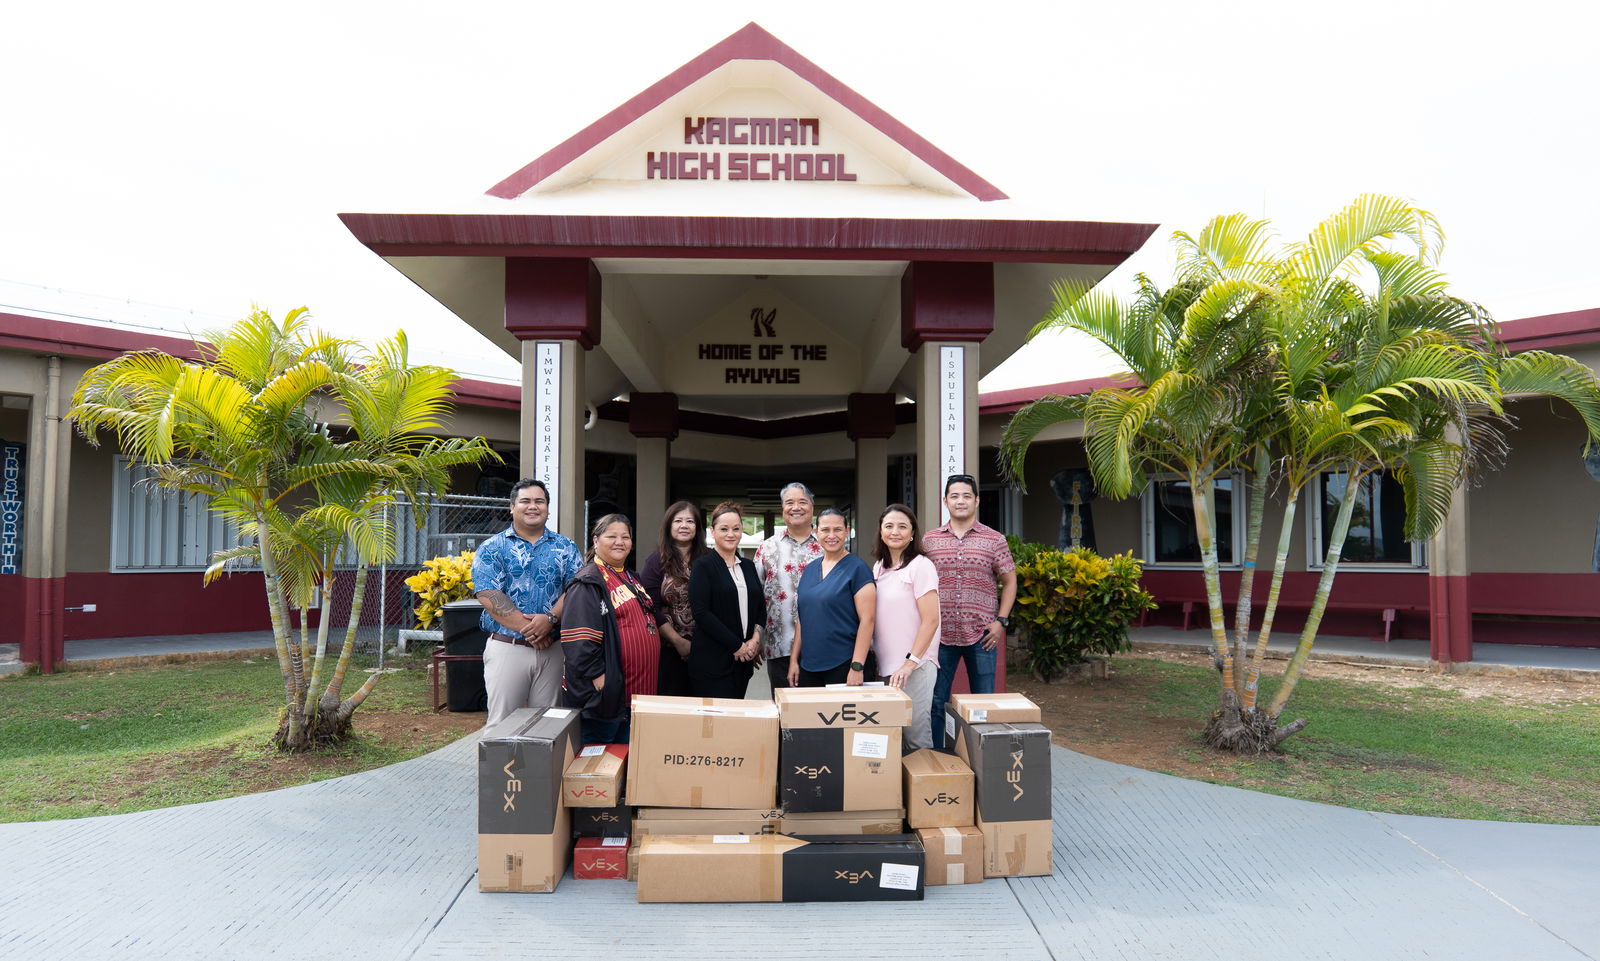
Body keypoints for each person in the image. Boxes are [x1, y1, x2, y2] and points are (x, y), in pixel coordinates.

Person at [471, 478, 583, 727]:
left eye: (539, 501)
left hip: (552, 652)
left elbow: (576, 588)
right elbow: (489, 594)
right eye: (525, 501)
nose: (533, 506)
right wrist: (534, 630)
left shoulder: (565, 547)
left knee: (547, 725)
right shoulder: (492, 548)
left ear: (548, 508)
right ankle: (498, 769)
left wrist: (550, 619)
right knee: (502, 724)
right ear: (512, 507)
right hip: (507, 648)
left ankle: (540, 769)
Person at [923, 473, 1018, 748]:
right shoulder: (930, 541)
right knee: (936, 701)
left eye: (966, 496)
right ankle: (937, 757)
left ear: (976, 500)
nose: (960, 501)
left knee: (982, 702)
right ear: (945, 501)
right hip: (939, 636)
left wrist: (1001, 621)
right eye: (954, 496)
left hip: (982, 636)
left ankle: (982, 758)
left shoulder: (994, 539)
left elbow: (1010, 581)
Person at [559, 513, 658, 745]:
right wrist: (599, 676)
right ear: (595, 541)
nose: (619, 542)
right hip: (606, 699)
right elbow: (577, 639)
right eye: (611, 536)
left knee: (626, 766)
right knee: (599, 767)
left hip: (633, 697)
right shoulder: (588, 581)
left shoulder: (630, 577)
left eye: (625, 537)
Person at [871, 503, 940, 751]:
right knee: (891, 739)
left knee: (915, 736)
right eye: (889, 526)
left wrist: (910, 663)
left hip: (915, 666)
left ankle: (924, 789)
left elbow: (931, 619)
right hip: (886, 667)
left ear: (912, 533)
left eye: (902, 526)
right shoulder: (879, 567)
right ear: (881, 532)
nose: (895, 531)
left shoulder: (921, 566)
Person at [787, 508, 875, 687]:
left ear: (847, 531)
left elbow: (868, 620)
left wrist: (857, 667)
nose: (831, 535)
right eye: (825, 530)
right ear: (815, 531)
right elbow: (802, 618)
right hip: (809, 666)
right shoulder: (810, 570)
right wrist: (794, 660)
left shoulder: (858, 569)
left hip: (844, 665)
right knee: (808, 715)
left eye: (837, 529)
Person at [687, 501, 765, 698]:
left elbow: (760, 608)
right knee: (714, 725)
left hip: (743, 662)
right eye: (724, 529)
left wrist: (755, 640)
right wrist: (737, 645)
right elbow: (701, 613)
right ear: (713, 532)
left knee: (735, 722)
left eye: (736, 529)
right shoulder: (703, 566)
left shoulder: (748, 566)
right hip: (712, 662)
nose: (731, 534)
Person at [755, 481, 823, 692]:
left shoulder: (828, 545)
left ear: (812, 507)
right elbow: (755, 597)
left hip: (822, 647)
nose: (796, 507)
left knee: (820, 716)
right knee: (785, 717)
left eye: (802, 502)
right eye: (789, 502)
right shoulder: (767, 548)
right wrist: (756, 637)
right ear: (782, 509)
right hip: (779, 647)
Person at [638, 501, 705, 697]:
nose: (684, 525)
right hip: (667, 648)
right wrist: (678, 642)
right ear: (669, 526)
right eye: (678, 521)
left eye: (690, 521)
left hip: (706, 648)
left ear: (697, 528)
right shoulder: (655, 561)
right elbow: (650, 606)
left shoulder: (710, 559)